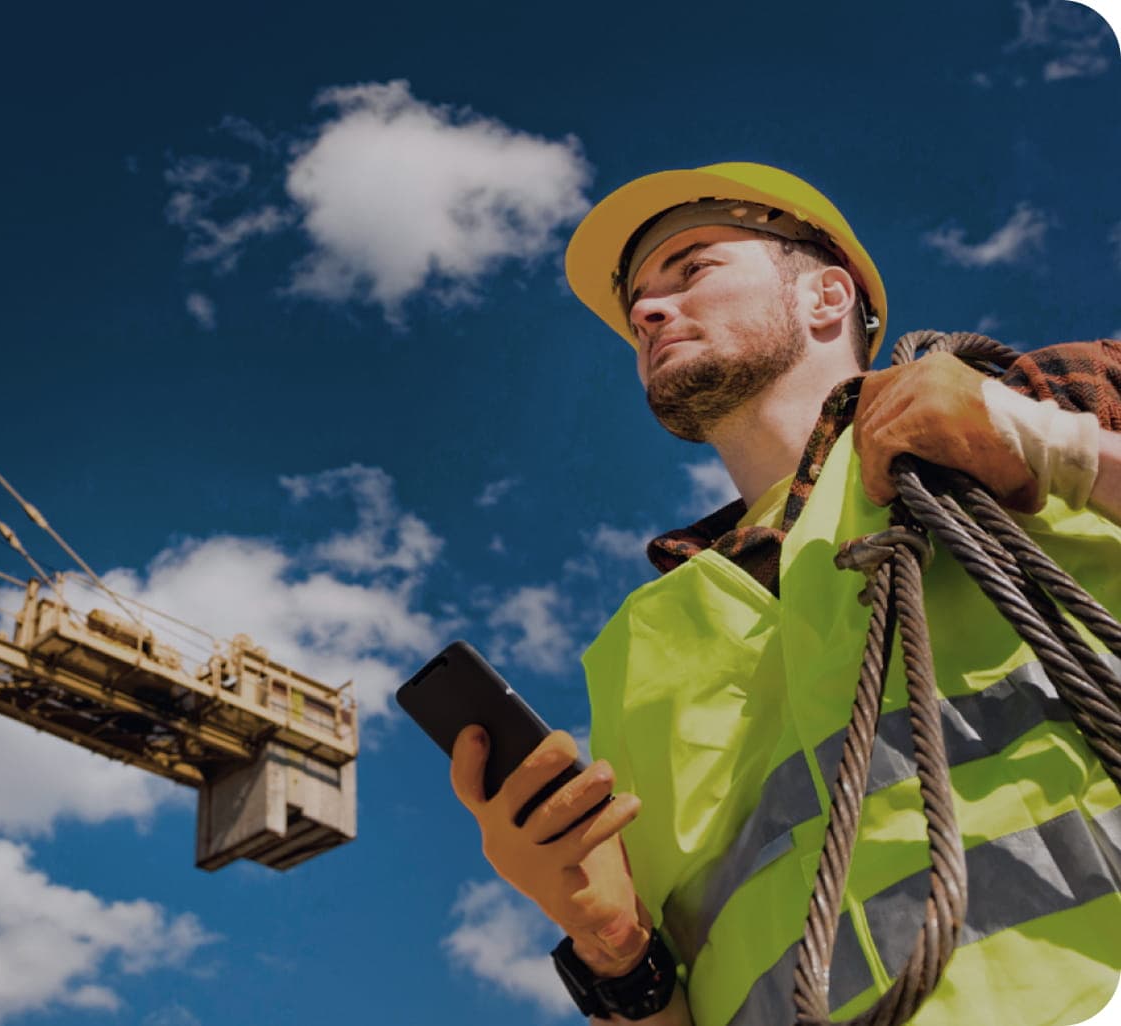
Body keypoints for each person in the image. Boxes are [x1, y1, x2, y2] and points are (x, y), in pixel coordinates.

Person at [447, 163, 1121, 1026]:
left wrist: (1049, 445)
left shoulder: (1037, 401)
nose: (648, 313)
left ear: (826, 297)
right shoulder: (641, 654)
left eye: (692, 268)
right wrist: (614, 951)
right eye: (639, 303)